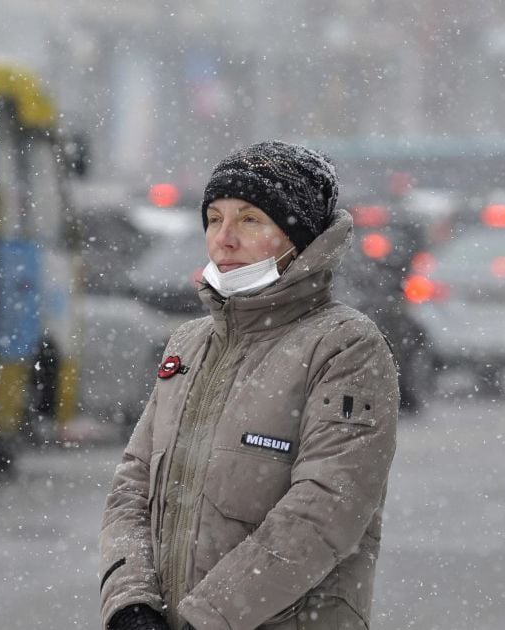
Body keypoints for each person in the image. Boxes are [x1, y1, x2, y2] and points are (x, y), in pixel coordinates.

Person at [99, 141, 399, 629]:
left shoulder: (345, 347)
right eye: (214, 219)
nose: (224, 239)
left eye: (250, 220)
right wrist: (131, 602)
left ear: (299, 240)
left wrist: (209, 617)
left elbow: (326, 509)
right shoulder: (189, 344)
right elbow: (133, 485)